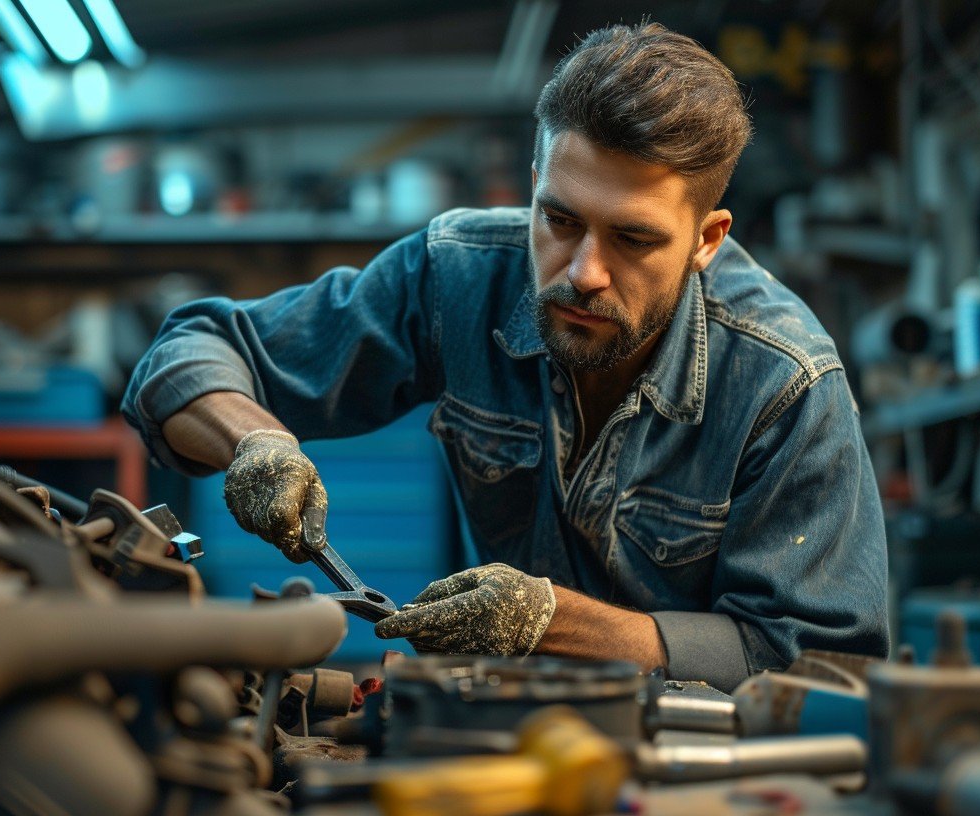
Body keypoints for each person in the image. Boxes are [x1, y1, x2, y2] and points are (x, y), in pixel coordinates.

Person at [123, 22, 888, 691]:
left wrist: (551, 621)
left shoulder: (783, 382)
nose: (583, 272)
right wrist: (255, 443)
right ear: (534, 188)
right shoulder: (458, 278)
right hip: (489, 723)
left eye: (632, 238)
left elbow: (821, 663)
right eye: (558, 218)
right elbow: (189, 352)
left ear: (705, 240)